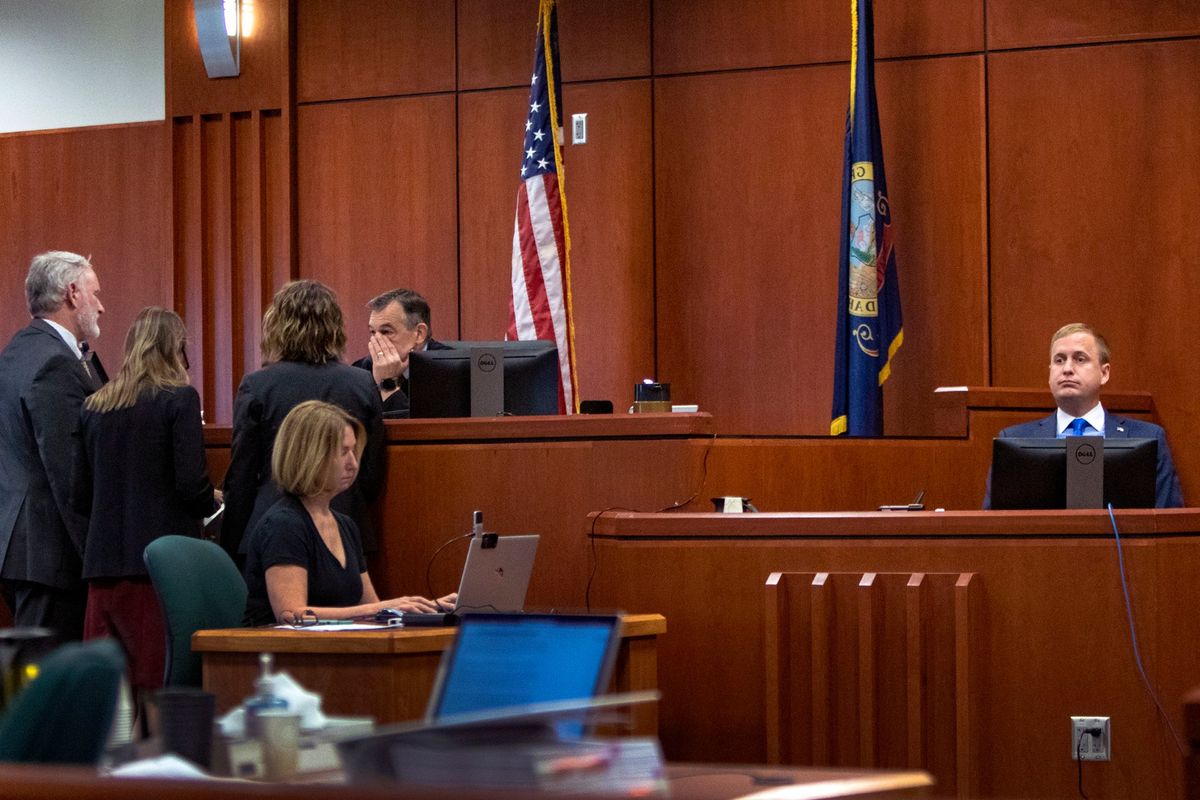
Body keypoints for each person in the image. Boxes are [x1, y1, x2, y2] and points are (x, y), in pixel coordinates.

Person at [73, 307, 220, 692]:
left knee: (108, 691)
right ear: (175, 349)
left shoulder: (94, 406)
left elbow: (80, 494)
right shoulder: (180, 399)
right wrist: (214, 504)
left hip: (103, 568)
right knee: (158, 687)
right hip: (161, 567)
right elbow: (191, 485)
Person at [242, 401, 450, 625]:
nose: (353, 463)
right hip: (281, 655)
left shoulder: (345, 525)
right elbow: (292, 614)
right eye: (342, 452)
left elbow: (370, 609)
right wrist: (384, 606)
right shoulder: (283, 525)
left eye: (354, 451)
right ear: (310, 456)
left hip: (337, 651)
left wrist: (430, 608)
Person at [222, 281, 385, 562]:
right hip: (344, 526)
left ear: (277, 326)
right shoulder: (361, 383)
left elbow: (242, 475)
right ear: (334, 326)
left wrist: (230, 545)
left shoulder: (258, 385)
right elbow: (370, 475)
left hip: (270, 529)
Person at [0, 251, 105, 639]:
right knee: (47, 684)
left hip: (26, 550)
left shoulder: (19, 349)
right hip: (50, 554)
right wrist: (94, 556)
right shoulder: (53, 362)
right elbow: (67, 469)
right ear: (73, 293)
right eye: (96, 293)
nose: (102, 305)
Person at [984, 323, 1183, 508]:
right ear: (1050, 372)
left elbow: (1168, 523)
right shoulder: (1013, 440)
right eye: (1059, 360)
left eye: (1080, 359)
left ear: (1104, 373)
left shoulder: (1149, 438)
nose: (1067, 369)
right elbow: (993, 525)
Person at [351, 288, 452, 416]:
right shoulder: (362, 370)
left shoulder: (450, 370)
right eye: (372, 332)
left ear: (419, 334)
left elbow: (417, 432)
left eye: (386, 332)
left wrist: (387, 384)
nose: (375, 342)